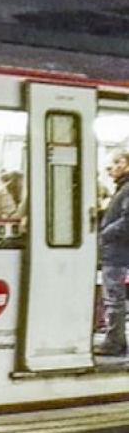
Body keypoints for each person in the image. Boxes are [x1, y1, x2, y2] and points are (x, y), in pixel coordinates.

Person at [100, 149, 129, 356]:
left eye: (113, 165)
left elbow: (127, 221)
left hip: (117, 252)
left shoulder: (127, 189)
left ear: (125, 164)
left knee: (114, 299)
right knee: (114, 298)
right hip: (116, 251)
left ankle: (114, 342)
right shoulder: (122, 188)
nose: (110, 170)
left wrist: (105, 232)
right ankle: (115, 340)